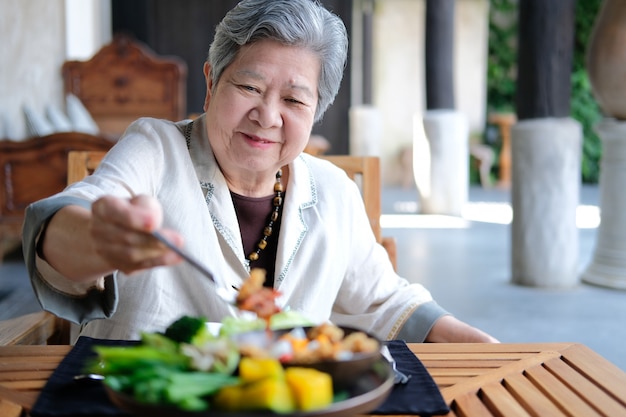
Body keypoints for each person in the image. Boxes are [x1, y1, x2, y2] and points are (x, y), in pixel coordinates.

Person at [22, 0, 498, 344]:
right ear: (211, 84)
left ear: (317, 111)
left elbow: (386, 301)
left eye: (294, 99)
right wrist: (100, 240)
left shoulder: (334, 191)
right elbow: (66, 223)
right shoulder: (156, 147)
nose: (268, 116)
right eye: (249, 87)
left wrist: (480, 347)